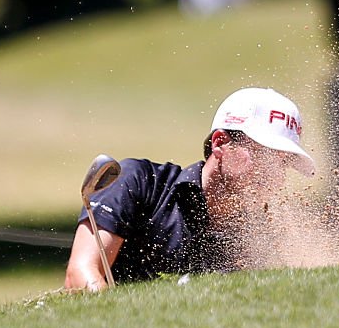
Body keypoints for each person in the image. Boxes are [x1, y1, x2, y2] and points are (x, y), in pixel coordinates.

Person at [64, 87, 316, 291]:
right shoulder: (140, 182)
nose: (276, 177)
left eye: (284, 164)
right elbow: (80, 273)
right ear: (220, 143)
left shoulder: (258, 236)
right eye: (265, 156)